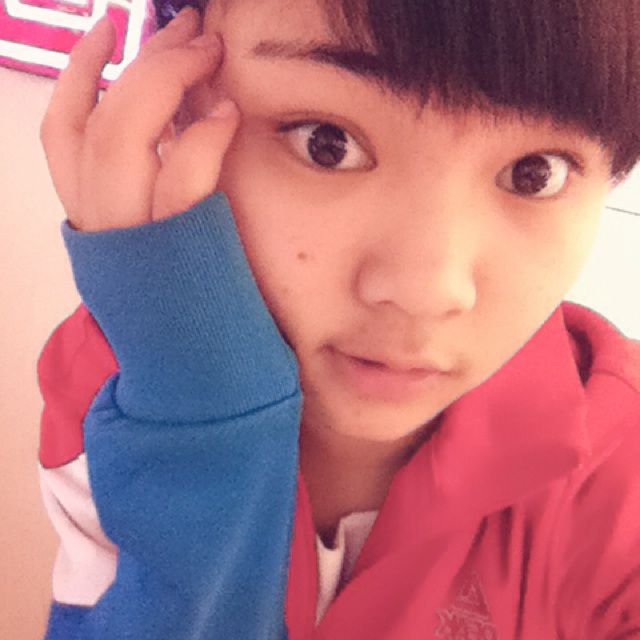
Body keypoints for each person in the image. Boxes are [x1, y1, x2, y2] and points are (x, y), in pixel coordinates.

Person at [37, 0, 640, 638]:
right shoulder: (119, 383)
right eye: (326, 144)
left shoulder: (620, 482)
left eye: (534, 174)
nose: (427, 292)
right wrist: (199, 424)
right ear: (167, 106)